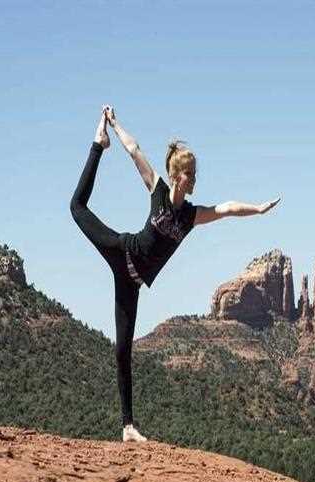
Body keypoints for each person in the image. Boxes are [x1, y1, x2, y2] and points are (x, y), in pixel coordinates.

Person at [70, 106, 280, 442]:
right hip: (120, 250)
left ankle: (127, 427)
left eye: (195, 174)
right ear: (178, 175)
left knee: (123, 350)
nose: (195, 179)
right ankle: (97, 145)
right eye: (192, 174)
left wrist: (258, 209)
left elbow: (225, 209)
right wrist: (113, 126)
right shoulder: (156, 190)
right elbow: (135, 150)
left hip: (132, 283)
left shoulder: (191, 216)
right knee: (76, 208)